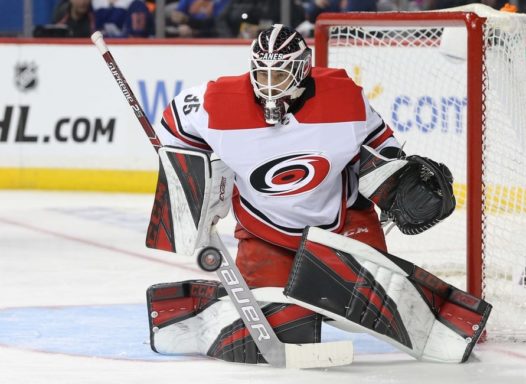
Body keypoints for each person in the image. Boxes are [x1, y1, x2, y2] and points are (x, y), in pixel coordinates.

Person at [145, 24, 490, 365]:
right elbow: (173, 127)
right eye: (260, 74)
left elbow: (380, 148)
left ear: (301, 68)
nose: (267, 86)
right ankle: (195, 310)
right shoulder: (217, 101)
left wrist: (399, 184)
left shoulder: (343, 98)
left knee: (361, 307)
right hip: (265, 232)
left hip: (341, 224)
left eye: (278, 75)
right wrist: (199, 180)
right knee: (280, 328)